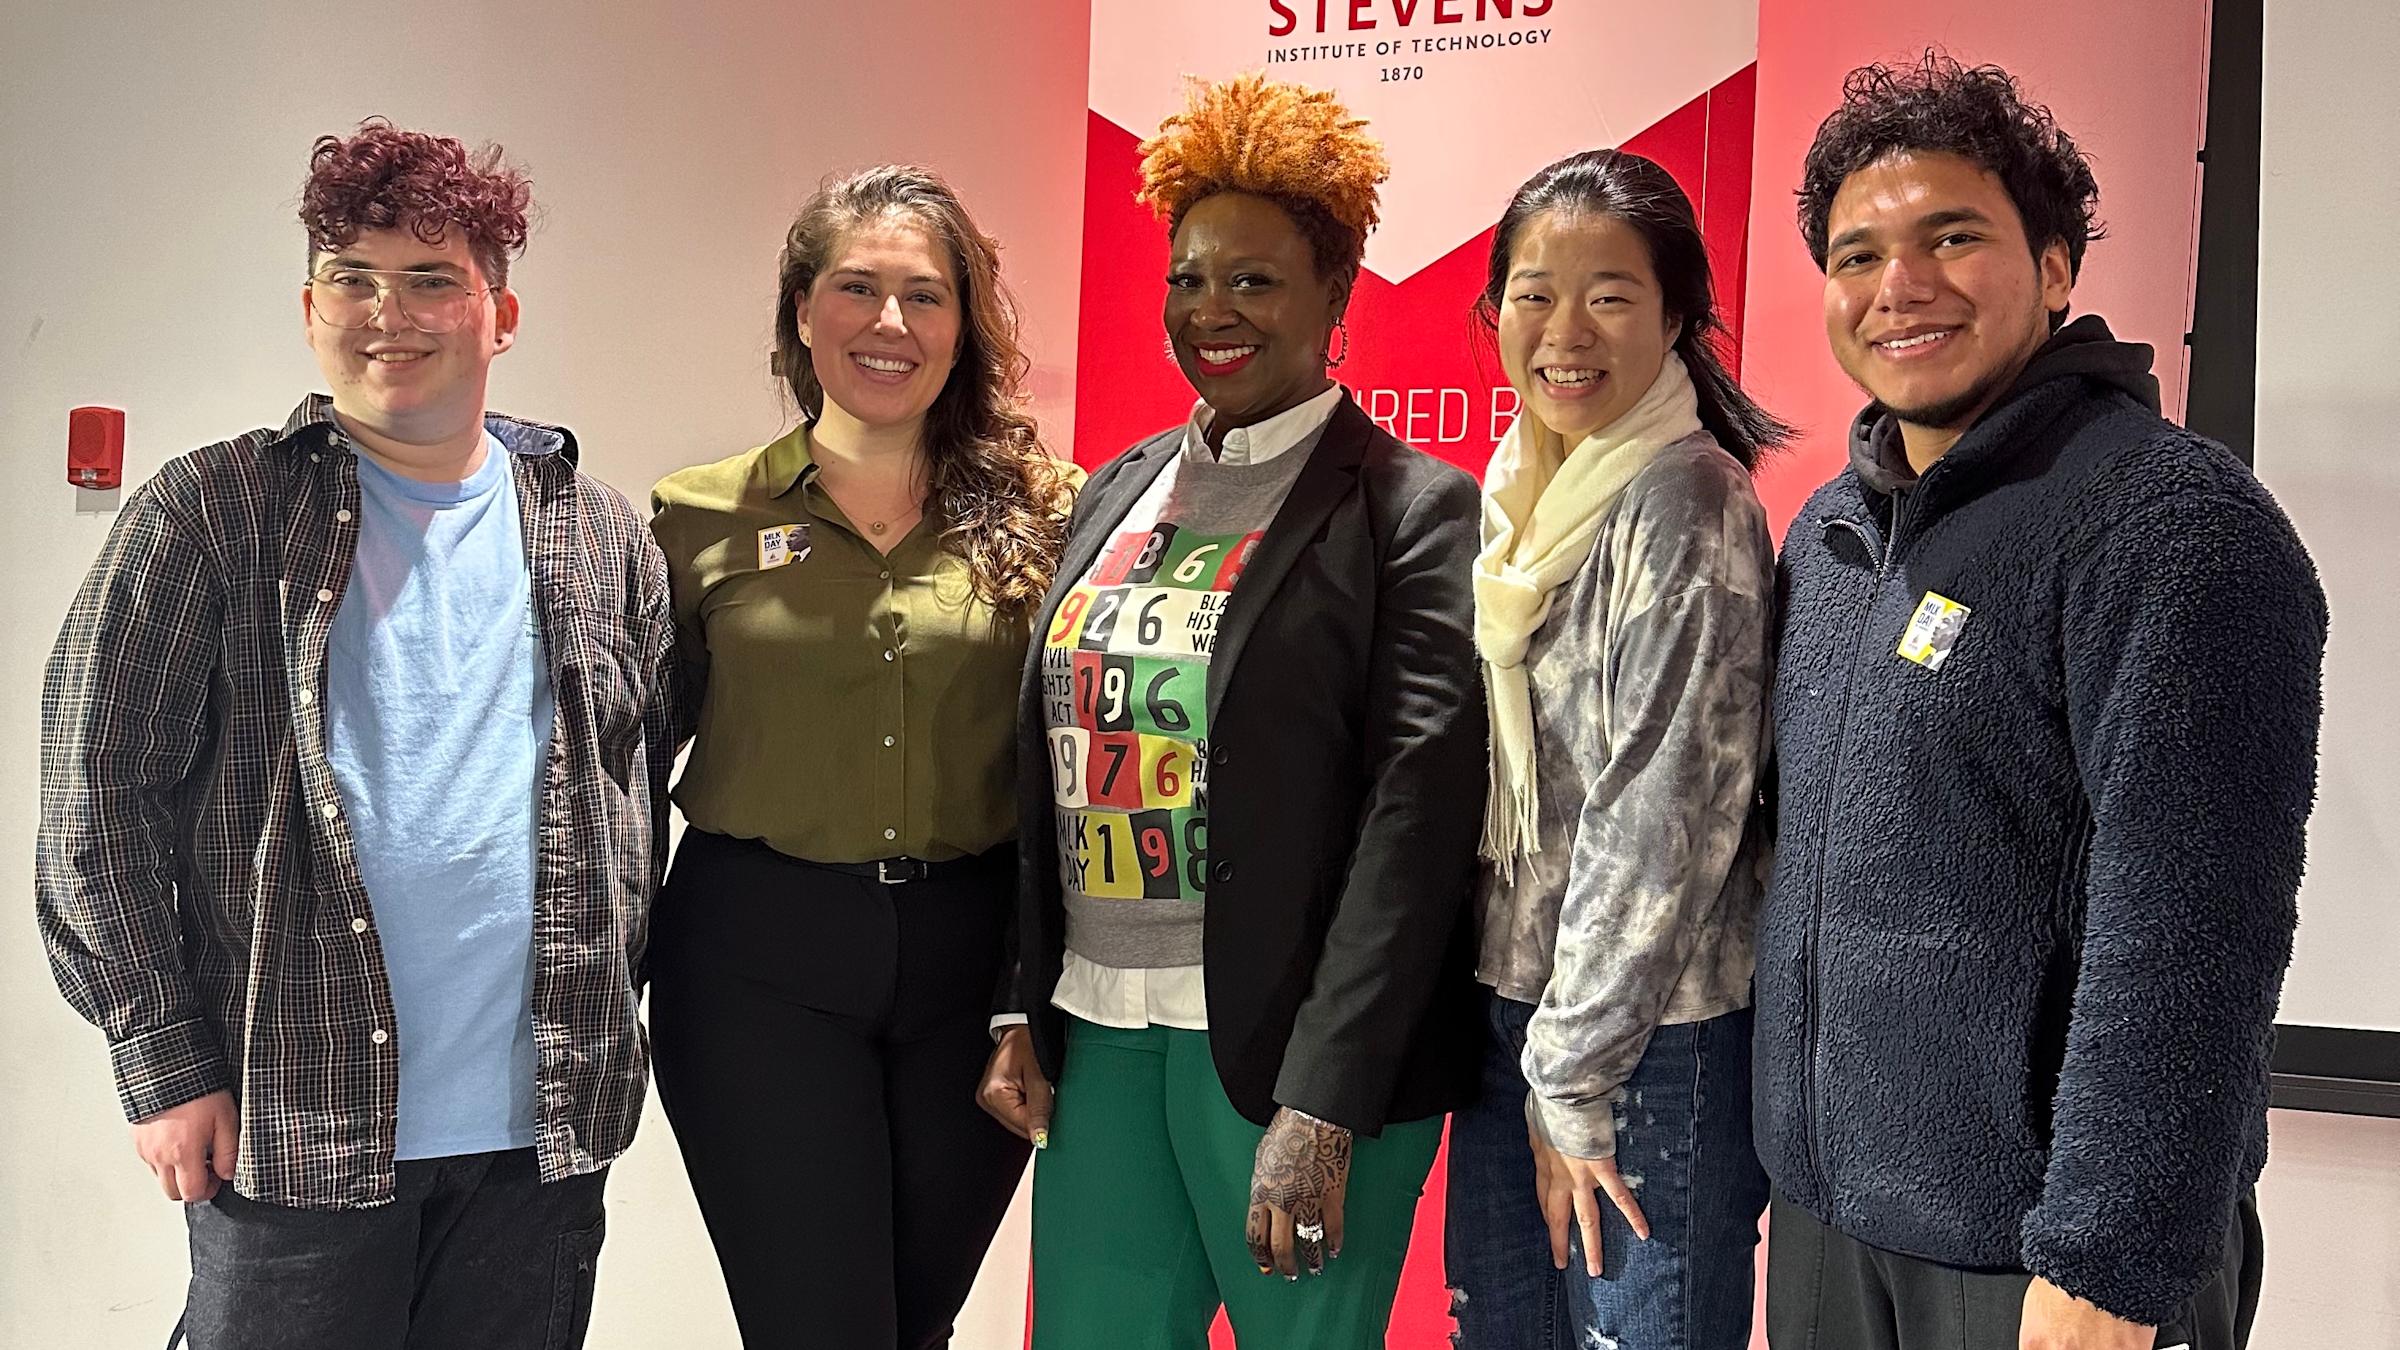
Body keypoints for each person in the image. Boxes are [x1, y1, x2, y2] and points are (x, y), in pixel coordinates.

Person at [36, 119, 674, 1350]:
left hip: (536, 1137)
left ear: (502, 313)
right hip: (294, 1121)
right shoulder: (213, 512)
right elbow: (93, 801)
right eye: (354, 279)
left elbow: (636, 781)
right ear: (308, 304)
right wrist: (163, 1062)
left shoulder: (594, 530)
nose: (390, 313)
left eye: (432, 278)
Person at [1756, 54, 2326, 1350]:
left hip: (2047, 1260)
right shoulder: (1834, 531)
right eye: (1857, 256)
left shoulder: (2169, 524)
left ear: (2058, 267)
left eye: (1951, 236)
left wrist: (2110, 1263)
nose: (1899, 286)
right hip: (1836, 1228)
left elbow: (2194, 934)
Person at [975, 74, 1487, 1350]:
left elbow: (1412, 823)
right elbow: (1052, 760)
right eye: (1188, 280)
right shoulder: (1119, 485)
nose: (1213, 311)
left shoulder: (1413, 510)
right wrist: (1017, 1001)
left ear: (1335, 297)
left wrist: (1324, 1100)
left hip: (1287, 1052)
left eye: (1254, 282)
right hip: (1099, 1039)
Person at [647, 164, 1078, 1349]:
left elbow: (1070, 770)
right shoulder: (697, 517)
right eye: (857, 288)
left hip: (973, 971)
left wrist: (1031, 997)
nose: (890, 325)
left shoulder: (1054, 515)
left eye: (925, 297)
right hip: (755, 965)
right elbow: (621, 762)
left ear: (963, 327)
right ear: (802, 311)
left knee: (912, 1325)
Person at [1442, 149, 1783, 1349]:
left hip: (1645, 1049)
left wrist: (1574, 1082)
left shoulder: (1685, 501)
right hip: (1516, 1017)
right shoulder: (1523, 497)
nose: (1563, 330)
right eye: (1534, 292)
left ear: (1678, 314)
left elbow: (1664, 822)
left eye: (1610, 294)